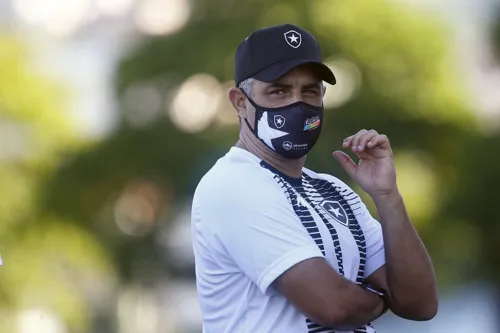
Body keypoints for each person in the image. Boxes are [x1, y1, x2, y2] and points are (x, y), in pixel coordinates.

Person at [191, 23, 438, 333]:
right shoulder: (231, 185)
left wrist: (387, 197)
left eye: (309, 90)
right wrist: (384, 300)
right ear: (240, 102)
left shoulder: (333, 190)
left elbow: (420, 303)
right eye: (279, 90)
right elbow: (334, 306)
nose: (297, 104)